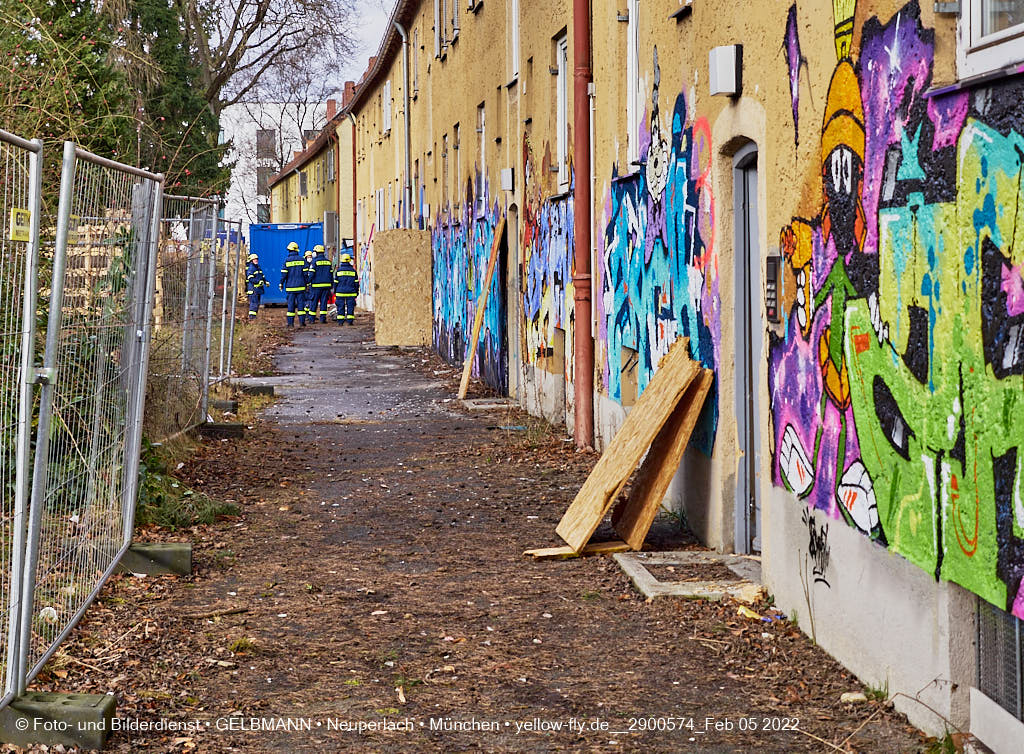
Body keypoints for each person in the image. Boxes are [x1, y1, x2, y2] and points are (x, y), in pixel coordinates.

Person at [279, 241, 307, 327]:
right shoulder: (302, 260)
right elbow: (306, 274)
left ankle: (290, 323)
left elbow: (284, 274)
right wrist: (306, 284)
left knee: (291, 306)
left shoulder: (286, 261)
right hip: (301, 287)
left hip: (290, 288)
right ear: (297, 250)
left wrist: (281, 283)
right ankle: (302, 322)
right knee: (301, 306)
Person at [308, 244, 334, 323]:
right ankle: (323, 319)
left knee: (314, 302)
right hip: (326, 286)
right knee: (324, 303)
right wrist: (331, 285)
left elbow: (311, 274)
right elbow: (331, 275)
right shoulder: (328, 262)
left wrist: (307, 282)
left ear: (316, 252)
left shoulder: (314, 262)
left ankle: (312, 319)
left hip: (316, 286)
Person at [334, 250, 359, 325]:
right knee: (350, 307)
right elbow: (356, 283)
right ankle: (350, 321)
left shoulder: (338, 271)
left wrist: (335, 291)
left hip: (340, 292)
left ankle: (340, 322)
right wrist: (356, 292)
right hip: (351, 292)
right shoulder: (353, 271)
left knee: (340, 307)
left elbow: (336, 283)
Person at [245, 252, 267, 320]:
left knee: (257, 304)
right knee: (253, 304)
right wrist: (258, 281)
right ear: (251, 260)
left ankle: (254, 318)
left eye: (257, 259)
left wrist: (265, 282)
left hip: (257, 290)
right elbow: (250, 278)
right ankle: (252, 318)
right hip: (253, 289)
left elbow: (262, 276)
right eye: (254, 259)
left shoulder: (258, 268)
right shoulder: (251, 268)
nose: (256, 260)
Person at [301, 249, 316, 325]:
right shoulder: (304, 265)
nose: (309, 258)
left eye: (310, 257)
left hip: (312, 285)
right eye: (308, 257)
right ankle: (306, 315)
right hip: (306, 285)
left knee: (311, 300)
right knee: (306, 300)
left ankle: (310, 315)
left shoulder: (313, 264)